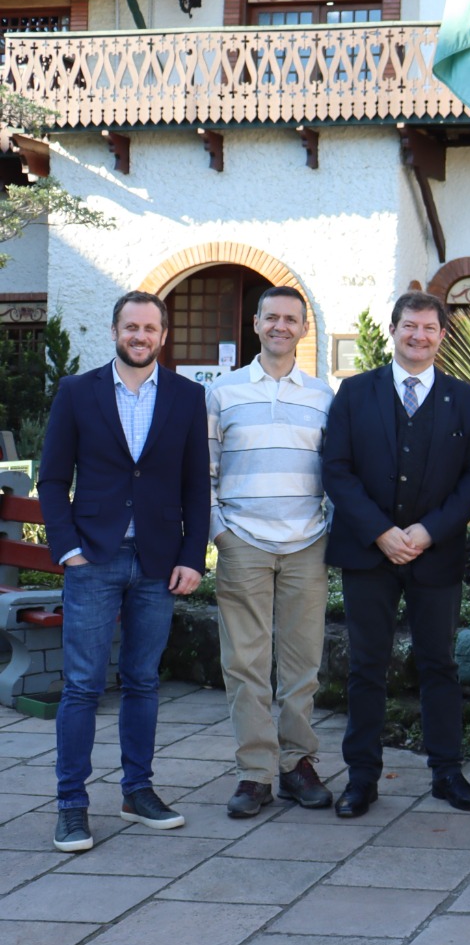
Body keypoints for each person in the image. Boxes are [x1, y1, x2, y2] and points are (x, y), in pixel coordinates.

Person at [38, 291, 209, 853]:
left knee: (142, 681)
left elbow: (195, 487)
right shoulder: (77, 392)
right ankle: (71, 805)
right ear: (115, 331)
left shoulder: (187, 397)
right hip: (95, 557)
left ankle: (138, 791)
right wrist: (68, 550)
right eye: (131, 326)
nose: (140, 336)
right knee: (83, 686)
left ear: (163, 336)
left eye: (150, 328)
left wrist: (191, 557)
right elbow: (53, 478)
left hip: (160, 563)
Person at [322, 291, 470, 817]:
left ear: (443, 335)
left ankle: (447, 773)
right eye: (409, 327)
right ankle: (362, 778)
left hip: (434, 554)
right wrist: (380, 532)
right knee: (366, 665)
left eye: (429, 328)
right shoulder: (354, 392)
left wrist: (427, 531)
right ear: (393, 330)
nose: (419, 336)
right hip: (368, 553)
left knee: (438, 663)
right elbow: (337, 470)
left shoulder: (466, 400)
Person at [209, 286, 336, 819]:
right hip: (244, 541)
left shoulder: (324, 396)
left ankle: (298, 764)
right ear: (256, 324)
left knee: (304, 663)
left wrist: (328, 523)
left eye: (292, 318)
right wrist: (220, 533)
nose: (281, 326)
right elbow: (204, 470)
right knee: (245, 663)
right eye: (272, 317)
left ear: (304, 329)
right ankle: (255, 772)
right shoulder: (222, 392)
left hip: (307, 542)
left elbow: (337, 470)